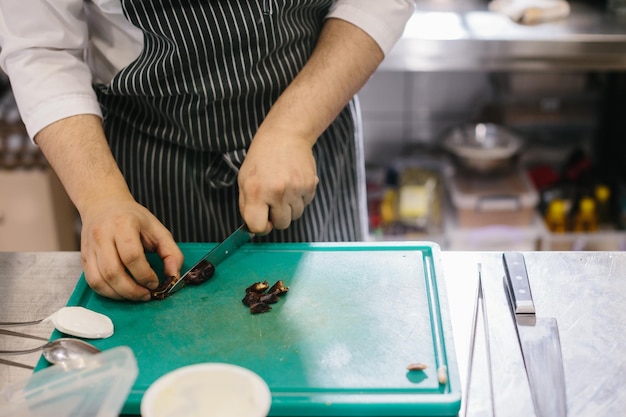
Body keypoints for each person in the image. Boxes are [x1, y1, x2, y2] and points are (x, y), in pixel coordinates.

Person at [0, 0, 414, 301]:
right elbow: (41, 47)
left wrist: (293, 128)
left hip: (311, 133)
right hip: (152, 159)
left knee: (329, 315)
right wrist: (101, 198)